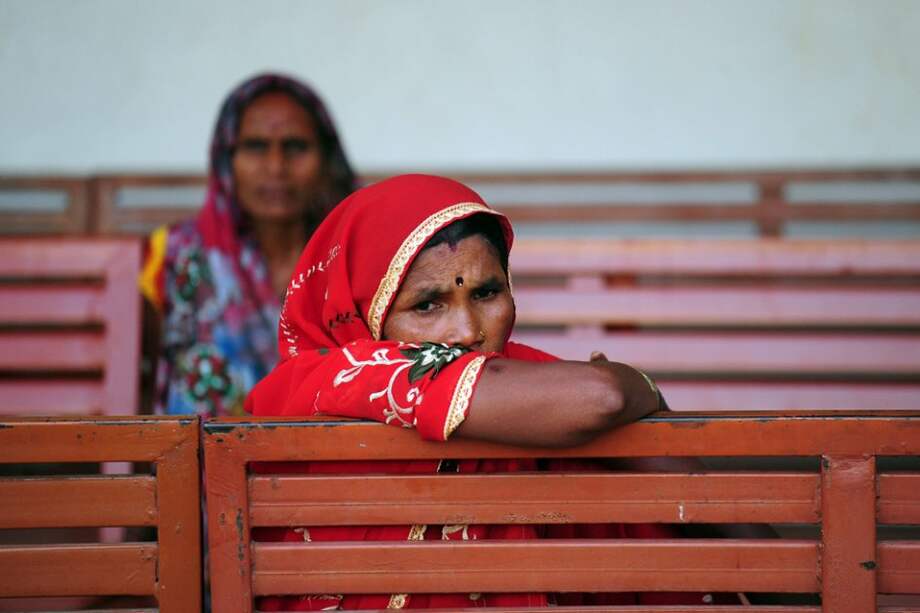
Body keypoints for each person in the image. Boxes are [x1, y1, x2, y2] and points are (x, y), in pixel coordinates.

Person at [246, 174, 737, 610]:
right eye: (427, 304)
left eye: (485, 293)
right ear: (361, 312)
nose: (465, 331)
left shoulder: (518, 379)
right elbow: (603, 397)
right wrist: (639, 387)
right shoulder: (343, 371)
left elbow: (698, 492)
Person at [140, 73, 357, 417]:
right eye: (255, 146)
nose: (275, 167)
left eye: (296, 146)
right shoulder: (172, 256)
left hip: (327, 464)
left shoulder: (359, 257)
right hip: (203, 465)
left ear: (327, 160)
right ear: (226, 159)